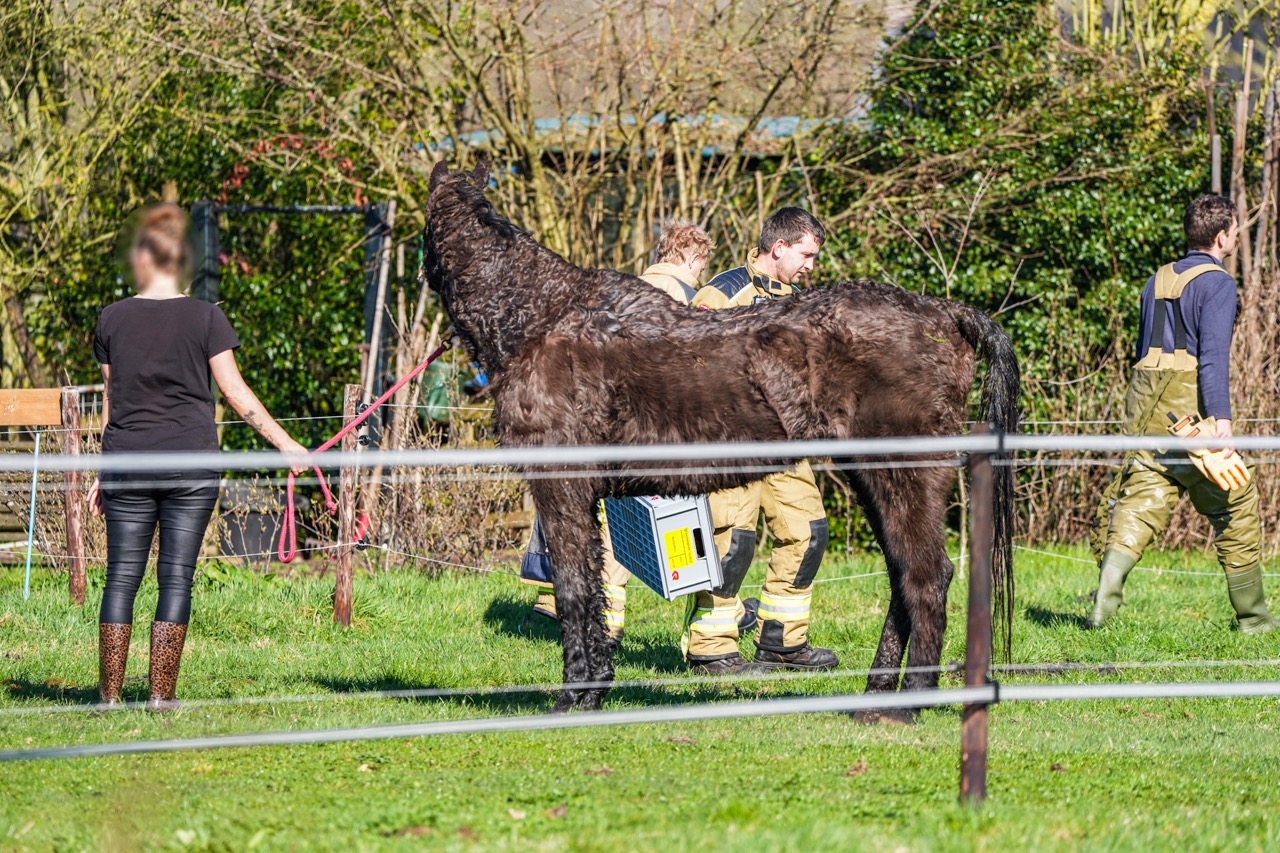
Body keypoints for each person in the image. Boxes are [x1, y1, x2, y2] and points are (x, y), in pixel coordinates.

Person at [90, 203, 310, 710]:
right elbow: (235, 393)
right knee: (175, 576)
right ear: (182, 260)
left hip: (126, 463)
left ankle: (107, 698)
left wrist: (102, 472)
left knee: (121, 575)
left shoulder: (111, 319)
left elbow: (112, 403)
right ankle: (161, 698)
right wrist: (286, 445)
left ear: (142, 257)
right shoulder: (207, 317)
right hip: (191, 466)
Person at [523, 221, 757, 642]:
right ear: (693, 257)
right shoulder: (688, 299)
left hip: (605, 423)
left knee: (612, 522)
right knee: (697, 524)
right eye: (703, 264)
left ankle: (594, 617)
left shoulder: (617, 293)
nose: (703, 272)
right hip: (661, 428)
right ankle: (723, 614)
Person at [1088, 194, 1278, 632]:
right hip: (1188, 413)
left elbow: (1143, 351)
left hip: (1145, 409)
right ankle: (1253, 618)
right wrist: (1222, 426)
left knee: (1141, 502)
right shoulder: (1217, 283)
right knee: (1237, 500)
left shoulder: (1155, 279)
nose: (1235, 236)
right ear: (1221, 236)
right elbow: (1213, 357)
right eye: (1234, 230)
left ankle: (1105, 600)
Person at [684, 207, 838, 674]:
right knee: (732, 544)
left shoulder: (798, 302)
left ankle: (782, 642)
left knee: (808, 532)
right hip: (731, 441)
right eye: (806, 255)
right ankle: (710, 648)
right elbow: (686, 361)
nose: (811, 266)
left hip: (785, 441)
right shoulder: (723, 293)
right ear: (779, 248)